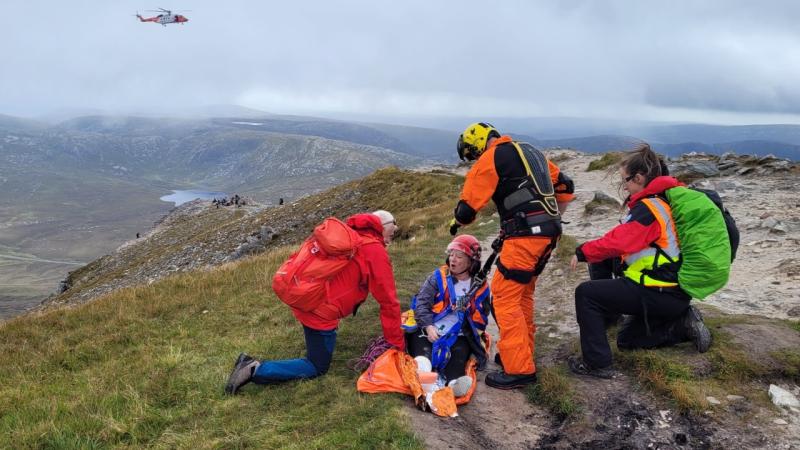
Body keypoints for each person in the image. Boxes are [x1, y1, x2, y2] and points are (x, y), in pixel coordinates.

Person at [568, 143, 712, 379]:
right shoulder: (661, 201)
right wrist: (593, 252)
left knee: (586, 294)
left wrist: (582, 252)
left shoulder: (649, 208)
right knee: (626, 340)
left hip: (659, 292)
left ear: (640, 177)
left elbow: (621, 242)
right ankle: (614, 318)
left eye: (626, 180)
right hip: (670, 289)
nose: (624, 186)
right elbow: (619, 243)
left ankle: (597, 364)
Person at [450, 122, 575, 389]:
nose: (473, 159)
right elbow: (566, 185)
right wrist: (550, 219)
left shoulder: (491, 157)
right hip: (549, 233)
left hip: (526, 236)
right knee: (523, 294)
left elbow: (466, 211)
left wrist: (458, 221)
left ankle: (519, 369)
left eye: (472, 153)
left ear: (477, 144)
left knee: (505, 297)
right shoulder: (530, 151)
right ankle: (519, 353)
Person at [225, 210, 404, 394]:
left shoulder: (347, 234)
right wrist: (397, 344)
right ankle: (254, 369)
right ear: (381, 225)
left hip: (305, 298)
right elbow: (388, 302)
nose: (396, 227)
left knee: (317, 339)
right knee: (317, 366)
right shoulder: (373, 250)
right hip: (319, 311)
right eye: (394, 222)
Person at [405, 234, 490, 397]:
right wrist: (428, 327)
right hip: (429, 326)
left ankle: (453, 384)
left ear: (471, 262)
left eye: (459, 256)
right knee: (424, 353)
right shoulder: (438, 277)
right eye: (451, 255)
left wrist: (470, 310)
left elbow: (482, 319)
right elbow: (421, 303)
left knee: (458, 355)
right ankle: (423, 374)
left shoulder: (480, 286)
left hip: (459, 333)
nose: (453, 259)